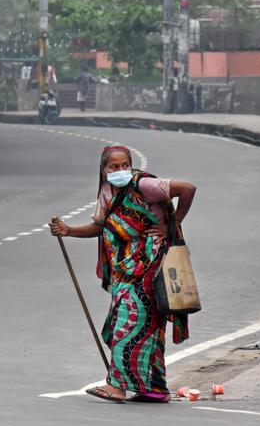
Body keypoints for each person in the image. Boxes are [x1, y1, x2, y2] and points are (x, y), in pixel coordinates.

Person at [49, 145, 197, 404]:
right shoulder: (107, 192)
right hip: (124, 271)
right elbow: (100, 225)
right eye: (114, 167)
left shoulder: (144, 186)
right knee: (142, 329)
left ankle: (116, 386)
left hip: (148, 269)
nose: (120, 171)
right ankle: (154, 388)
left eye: (124, 165)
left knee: (127, 327)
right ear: (104, 170)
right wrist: (68, 230)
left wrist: (169, 225)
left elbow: (187, 188)